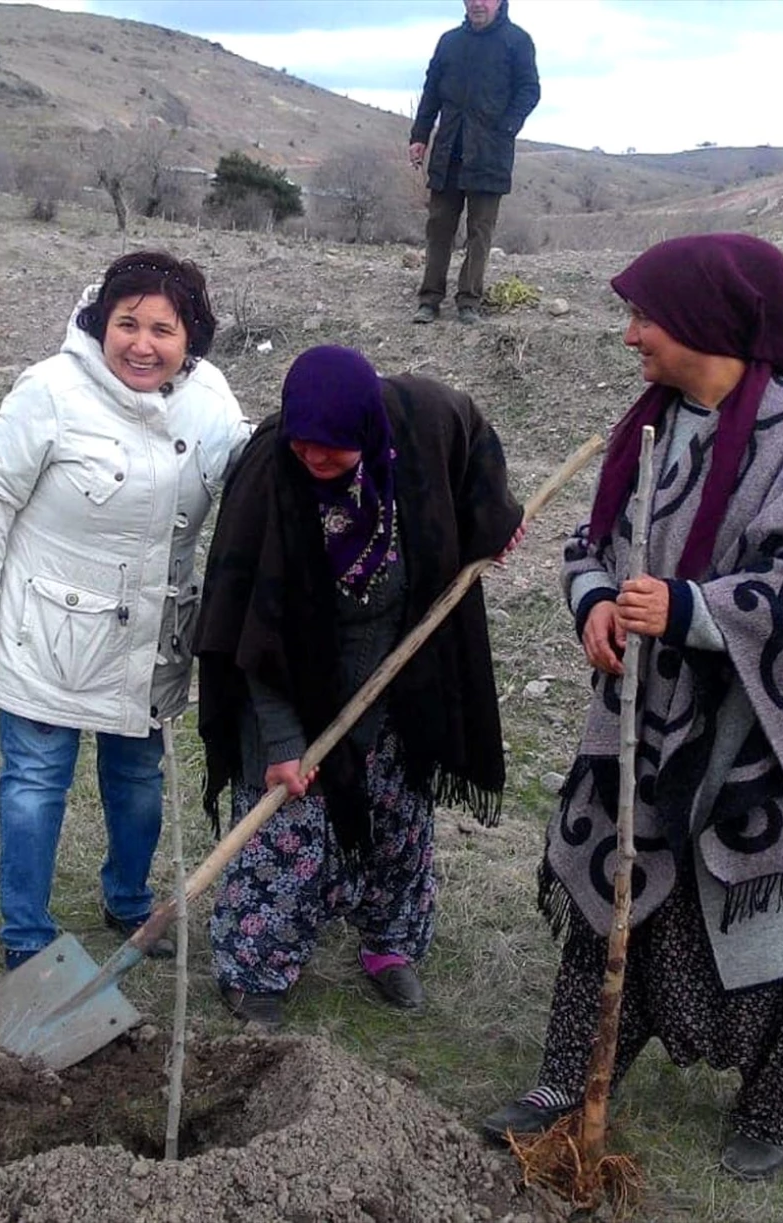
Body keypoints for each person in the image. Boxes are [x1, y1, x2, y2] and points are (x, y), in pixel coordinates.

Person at [481, 234, 783, 1180]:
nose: (630, 336)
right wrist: (595, 601)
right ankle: (569, 1077)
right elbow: (596, 544)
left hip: (773, 733)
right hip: (650, 719)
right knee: (616, 891)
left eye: (644, 317)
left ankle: (771, 1104)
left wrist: (695, 609)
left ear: (709, 323)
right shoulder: (655, 428)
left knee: (777, 922)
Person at [195, 345, 524, 1029]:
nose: (314, 460)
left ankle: (389, 943)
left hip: (396, 687)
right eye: (304, 446)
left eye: (332, 451)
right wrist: (284, 741)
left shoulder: (415, 423)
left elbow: (471, 432)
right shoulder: (269, 479)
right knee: (286, 836)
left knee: (397, 826)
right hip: (290, 689)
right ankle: (256, 968)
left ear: (368, 432)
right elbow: (252, 633)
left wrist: (494, 518)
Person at [0, 251, 250, 971]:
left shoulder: (208, 400)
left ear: (191, 336)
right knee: (34, 781)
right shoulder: (49, 390)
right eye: (127, 323)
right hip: (46, 626)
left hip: (150, 638)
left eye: (163, 329)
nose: (142, 344)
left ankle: (129, 897)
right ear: (100, 322)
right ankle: (26, 934)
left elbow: (249, 480)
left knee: (139, 779)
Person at [408, 0, 539, 326]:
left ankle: (469, 302)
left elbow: (530, 90)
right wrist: (419, 135)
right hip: (449, 148)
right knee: (439, 226)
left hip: (489, 153)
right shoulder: (449, 41)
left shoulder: (518, 41)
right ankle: (429, 299)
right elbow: (430, 93)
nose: (478, 3)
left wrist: (507, 127)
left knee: (479, 230)